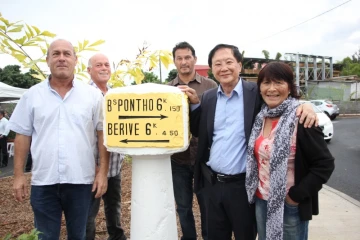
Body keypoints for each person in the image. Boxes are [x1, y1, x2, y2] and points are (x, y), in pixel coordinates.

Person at [179, 44, 318, 240]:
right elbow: (198, 131)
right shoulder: (208, 97)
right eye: (217, 64)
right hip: (211, 185)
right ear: (212, 68)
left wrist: (306, 106)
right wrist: (195, 105)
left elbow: (282, 101)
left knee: (246, 236)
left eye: (229, 62)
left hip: (244, 186)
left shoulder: (257, 93)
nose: (223, 68)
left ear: (239, 65)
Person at [8, 39, 109, 240]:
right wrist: (18, 175)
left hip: (81, 181)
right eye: (56, 54)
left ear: (75, 60)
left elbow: (102, 134)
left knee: (78, 235)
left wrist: (103, 173)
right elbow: (22, 136)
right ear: (47, 60)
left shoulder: (93, 96)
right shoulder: (31, 96)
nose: (61, 58)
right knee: (45, 236)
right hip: (44, 182)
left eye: (66, 54)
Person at [245, 62, 335, 240]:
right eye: (266, 83)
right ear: (260, 88)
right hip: (261, 200)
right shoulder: (260, 116)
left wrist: (295, 196)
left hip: (289, 204)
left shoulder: (302, 118)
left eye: (278, 82)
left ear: (289, 87)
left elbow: (325, 164)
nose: (272, 89)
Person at [168, 41, 218, 240]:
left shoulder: (210, 86)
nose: (184, 62)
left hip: (204, 158)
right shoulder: (167, 89)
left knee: (207, 205)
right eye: (179, 58)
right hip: (178, 159)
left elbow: (216, 119)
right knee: (183, 207)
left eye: (187, 57)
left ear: (195, 59)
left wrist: (197, 101)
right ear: (174, 62)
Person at [86, 53, 127, 240]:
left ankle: (117, 237)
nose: (104, 68)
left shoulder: (115, 94)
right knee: (89, 213)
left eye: (106, 65)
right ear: (89, 70)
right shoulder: (85, 96)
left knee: (114, 207)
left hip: (114, 164)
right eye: (98, 65)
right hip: (91, 167)